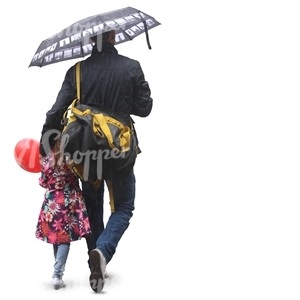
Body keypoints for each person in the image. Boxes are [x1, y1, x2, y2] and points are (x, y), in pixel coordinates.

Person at [39, 30, 153, 293]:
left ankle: (96, 262)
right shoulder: (131, 67)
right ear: (114, 35)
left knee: (93, 207)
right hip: (120, 152)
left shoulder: (76, 72)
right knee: (123, 206)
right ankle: (102, 251)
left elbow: (55, 112)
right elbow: (145, 108)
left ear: (92, 39)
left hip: (86, 155)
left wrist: (46, 148)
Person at [36, 138, 91, 290]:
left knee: (57, 238)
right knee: (63, 238)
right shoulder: (71, 158)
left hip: (52, 203)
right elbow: (81, 175)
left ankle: (57, 273)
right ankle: (57, 274)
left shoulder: (47, 159)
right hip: (68, 201)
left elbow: (43, 182)